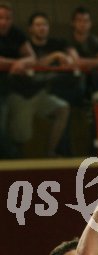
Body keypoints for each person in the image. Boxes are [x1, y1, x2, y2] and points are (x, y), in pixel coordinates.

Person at [7, 12, 74, 157]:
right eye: (38, 25)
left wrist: (68, 59)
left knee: (62, 108)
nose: (41, 28)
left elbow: (72, 59)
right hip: (22, 95)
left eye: (44, 25)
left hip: (40, 94)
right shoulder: (24, 45)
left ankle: (50, 152)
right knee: (21, 137)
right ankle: (17, 163)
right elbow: (33, 63)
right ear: (30, 28)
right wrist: (55, 56)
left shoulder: (56, 43)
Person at [0, 1, 35, 158]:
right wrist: (15, 62)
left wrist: (22, 62)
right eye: (1, 18)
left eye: (8, 18)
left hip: (11, 89)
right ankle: (15, 157)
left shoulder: (16, 33)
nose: (4, 22)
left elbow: (32, 58)